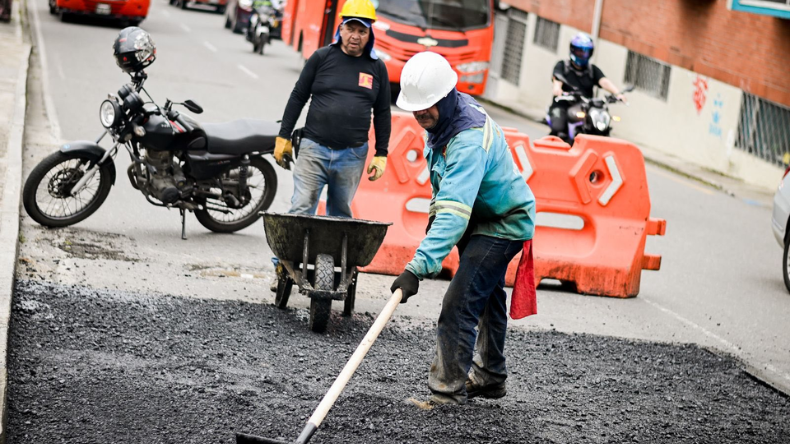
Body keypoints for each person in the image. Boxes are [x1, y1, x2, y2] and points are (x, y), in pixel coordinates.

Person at [390, 52, 537, 406]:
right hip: (481, 215)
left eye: (427, 107)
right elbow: (446, 190)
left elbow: (454, 215)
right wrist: (433, 219)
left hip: (503, 222)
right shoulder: (446, 118)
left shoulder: (467, 138)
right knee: (484, 295)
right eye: (416, 108)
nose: (421, 115)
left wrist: (417, 267)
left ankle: (446, 392)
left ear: (446, 96)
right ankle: (490, 375)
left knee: (459, 302)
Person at [273, 0, 390, 218]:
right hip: (313, 149)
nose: (355, 35)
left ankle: (333, 254)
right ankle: (288, 254)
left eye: (362, 31)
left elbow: (383, 112)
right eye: (350, 29)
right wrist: (284, 136)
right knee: (301, 209)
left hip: (352, 155)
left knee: (340, 215)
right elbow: (298, 96)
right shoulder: (322, 57)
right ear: (341, 28)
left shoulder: (377, 68)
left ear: (369, 34)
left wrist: (381, 153)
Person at [548, 32, 626, 142]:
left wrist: (617, 93)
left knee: (598, 126)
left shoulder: (592, 70)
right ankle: (553, 148)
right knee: (558, 127)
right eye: (579, 51)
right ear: (573, 50)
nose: (582, 54)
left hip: (585, 107)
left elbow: (604, 81)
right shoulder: (562, 65)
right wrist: (557, 88)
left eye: (585, 52)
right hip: (564, 105)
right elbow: (557, 78)